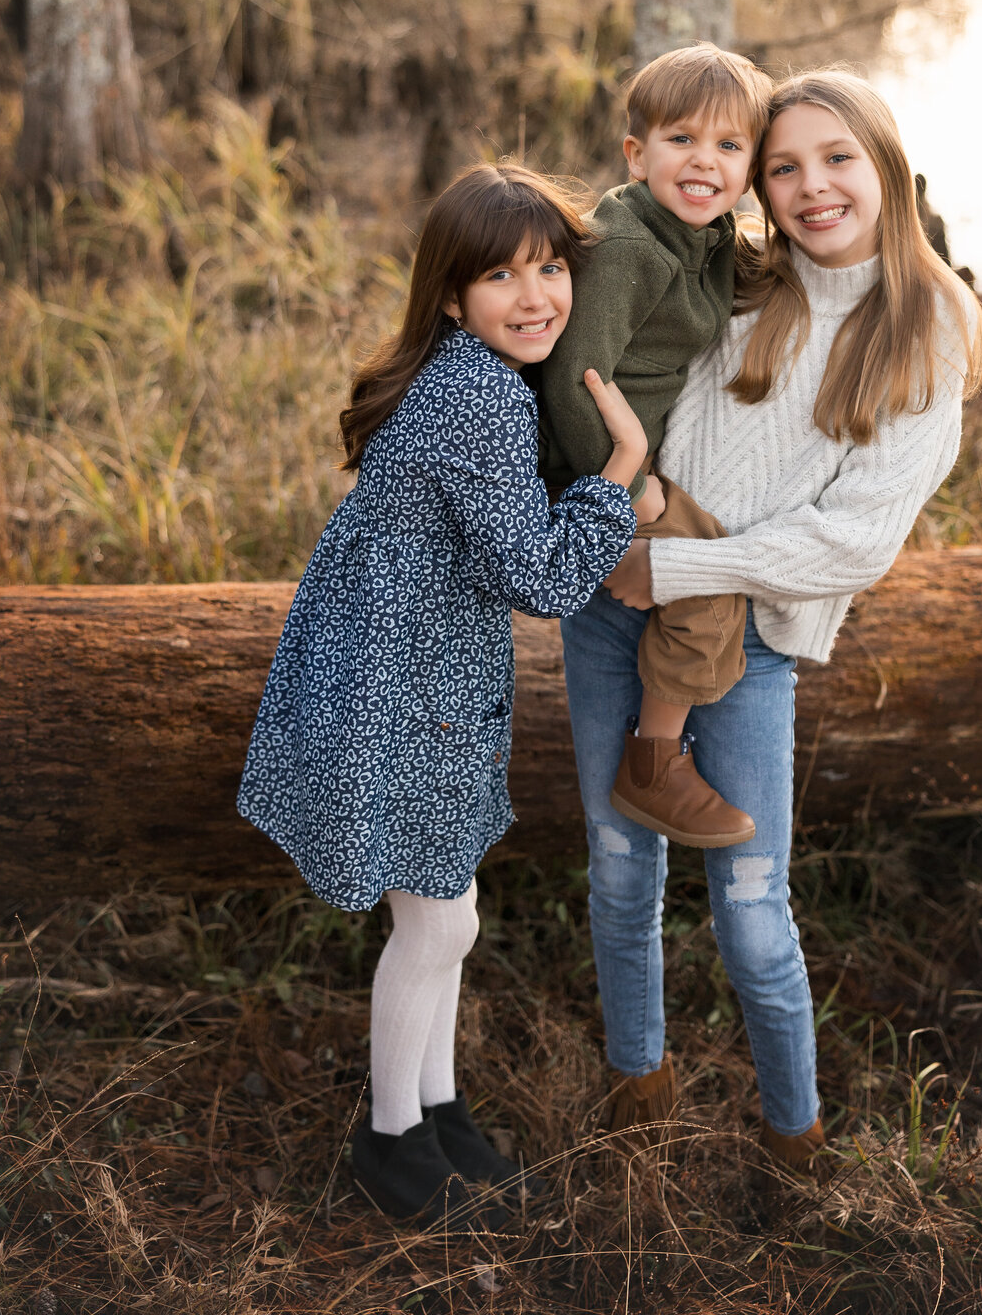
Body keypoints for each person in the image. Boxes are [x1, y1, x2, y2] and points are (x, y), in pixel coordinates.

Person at [558, 69, 982, 1159]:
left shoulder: (927, 327)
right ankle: (637, 1090)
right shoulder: (738, 274)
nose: (811, 187)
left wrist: (680, 570)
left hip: (747, 637)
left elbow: (855, 541)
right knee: (620, 870)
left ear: (887, 165)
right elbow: (608, 351)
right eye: (785, 167)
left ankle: (796, 1139)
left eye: (837, 159)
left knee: (751, 910)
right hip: (618, 600)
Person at [237, 163, 647, 1227]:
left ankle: (439, 1111)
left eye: (550, 269)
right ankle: (392, 1142)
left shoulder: (465, 374)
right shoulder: (478, 396)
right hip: (400, 691)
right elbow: (542, 580)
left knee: (443, 909)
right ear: (454, 297)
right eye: (502, 276)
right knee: (438, 921)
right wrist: (620, 473)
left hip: (406, 675)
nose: (536, 296)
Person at [536, 43, 772, 849]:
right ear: (637, 155)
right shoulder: (629, 248)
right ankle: (653, 763)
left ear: (751, 170)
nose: (704, 160)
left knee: (706, 572)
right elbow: (574, 379)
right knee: (708, 587)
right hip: (590, 471)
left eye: (729, 145)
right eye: (681, 139)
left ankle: (662, 746)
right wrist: (624, 491)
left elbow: (746, 276)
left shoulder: (705, 237)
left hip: (629, 464)